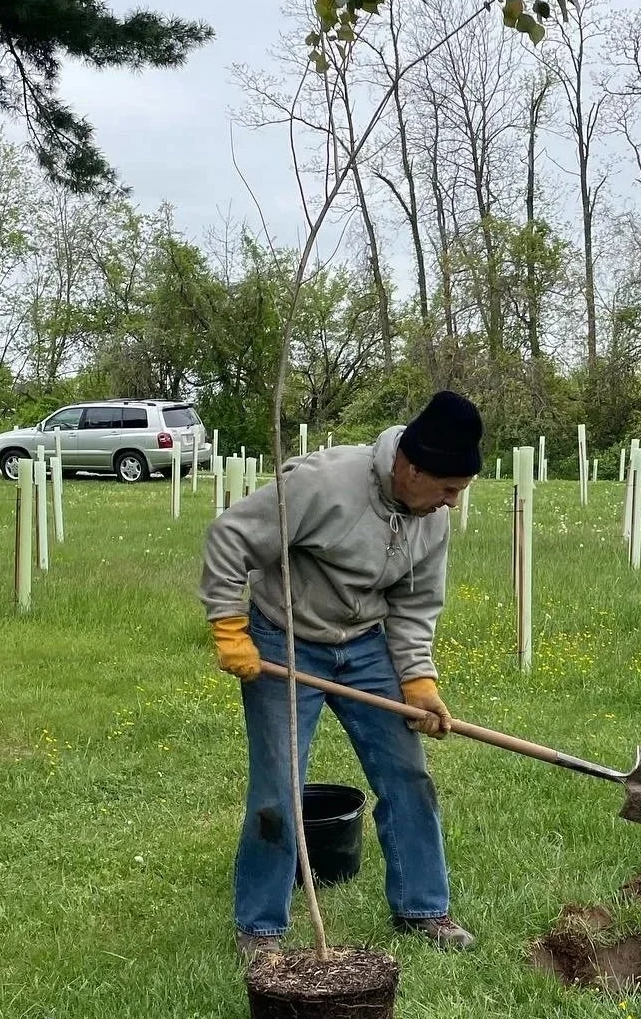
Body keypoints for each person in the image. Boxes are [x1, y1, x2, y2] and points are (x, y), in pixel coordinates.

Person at [200, 391, 481, 959]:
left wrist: (418, 680)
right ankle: (260, 928)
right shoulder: (322, 484)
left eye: (460, 491)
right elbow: (231, 536)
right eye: (447, 489)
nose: (452, 503)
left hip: (367, 647)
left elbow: (415, 605)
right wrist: (230, 626)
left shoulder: (430, 519)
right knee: (280, 786)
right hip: (287, 641)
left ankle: (424, 909)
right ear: (409, 467)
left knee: (408, 774)